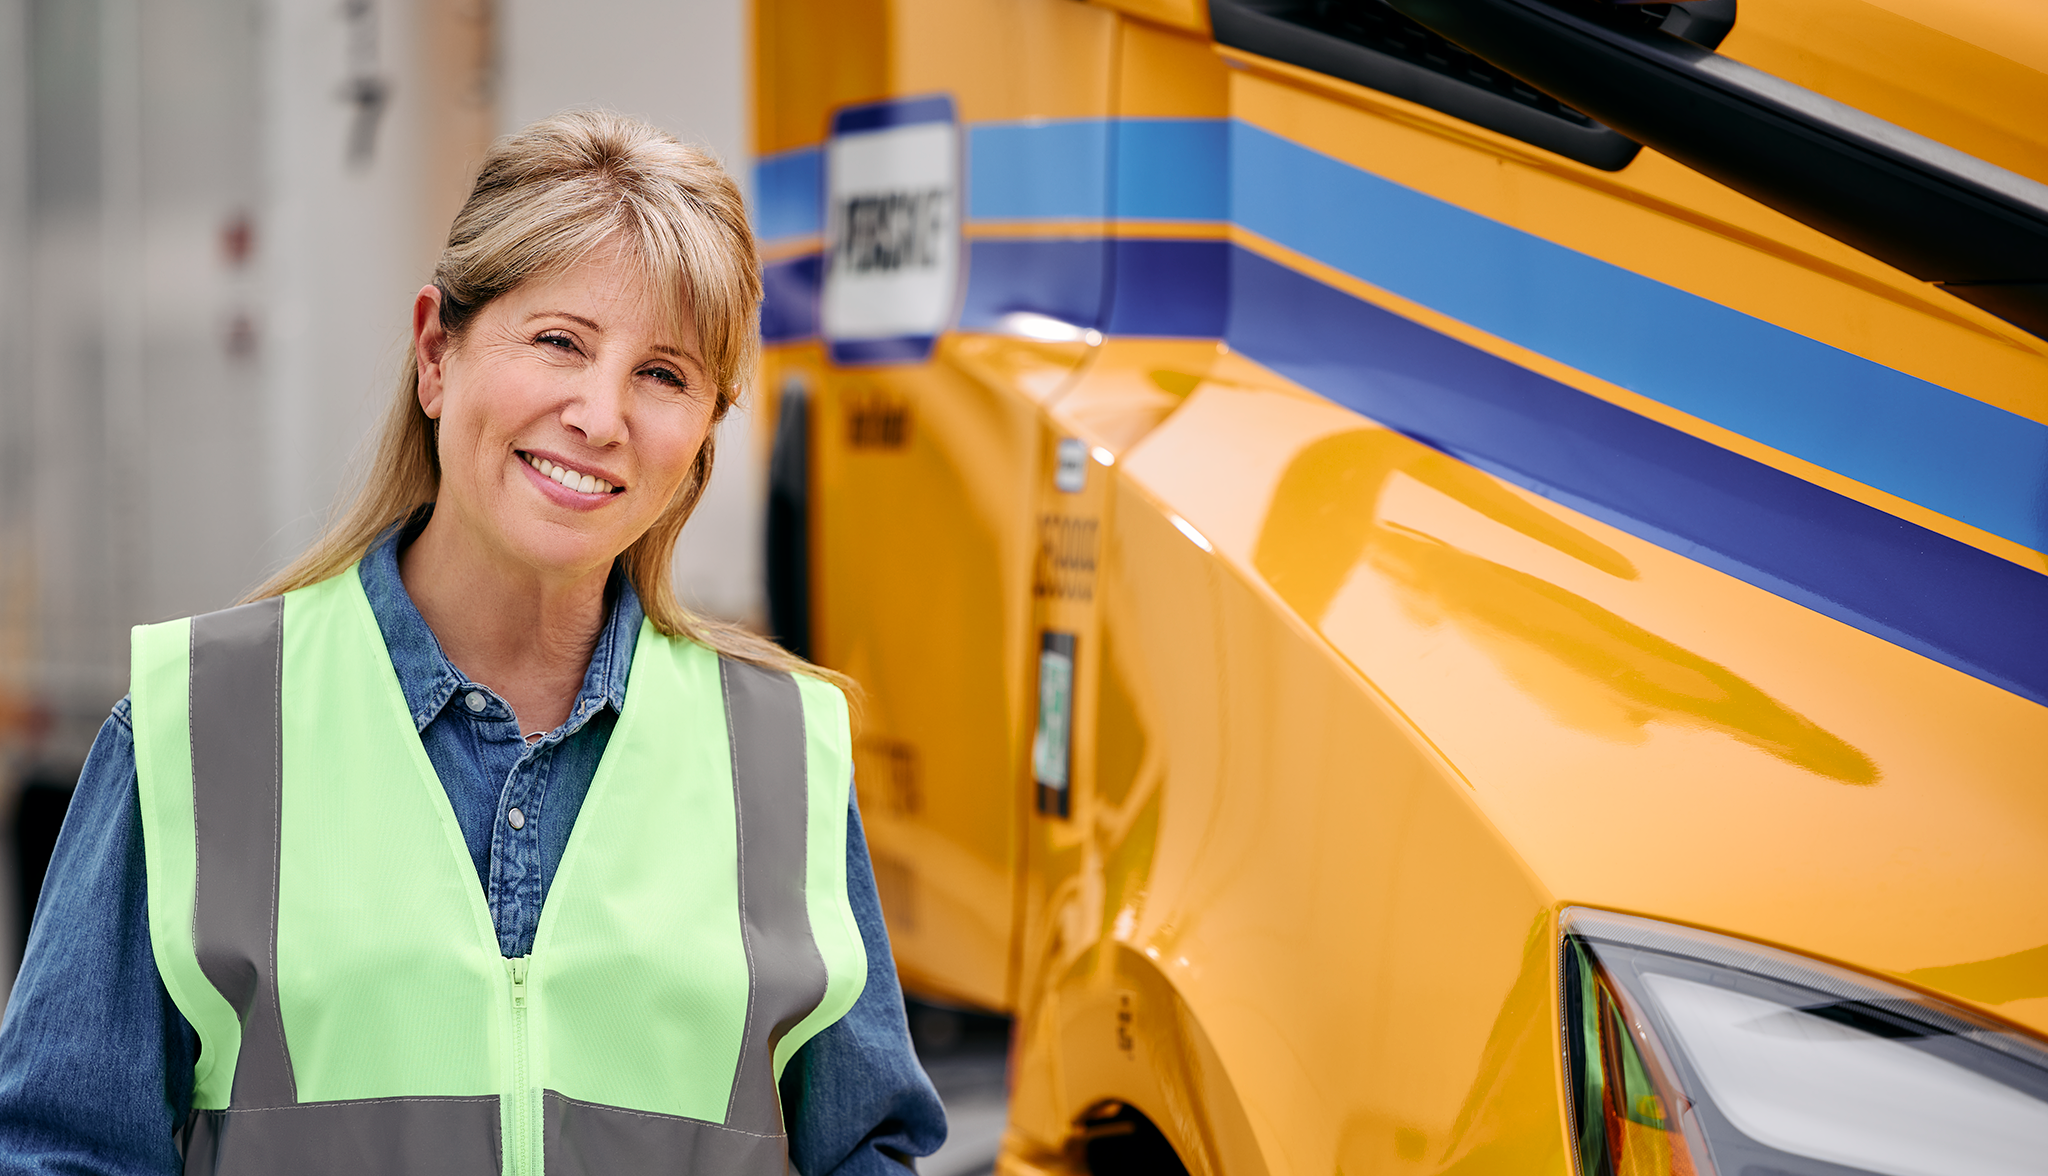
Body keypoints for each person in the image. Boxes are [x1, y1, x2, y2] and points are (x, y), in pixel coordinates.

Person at [0, 111, 946, 1175]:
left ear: (702, 438)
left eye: (664, 374)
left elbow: (859, 1153)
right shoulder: (195, 728)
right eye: (560, 342)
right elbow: (62, 1155)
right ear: (436, 352)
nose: (600, 414)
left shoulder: (782, 754)